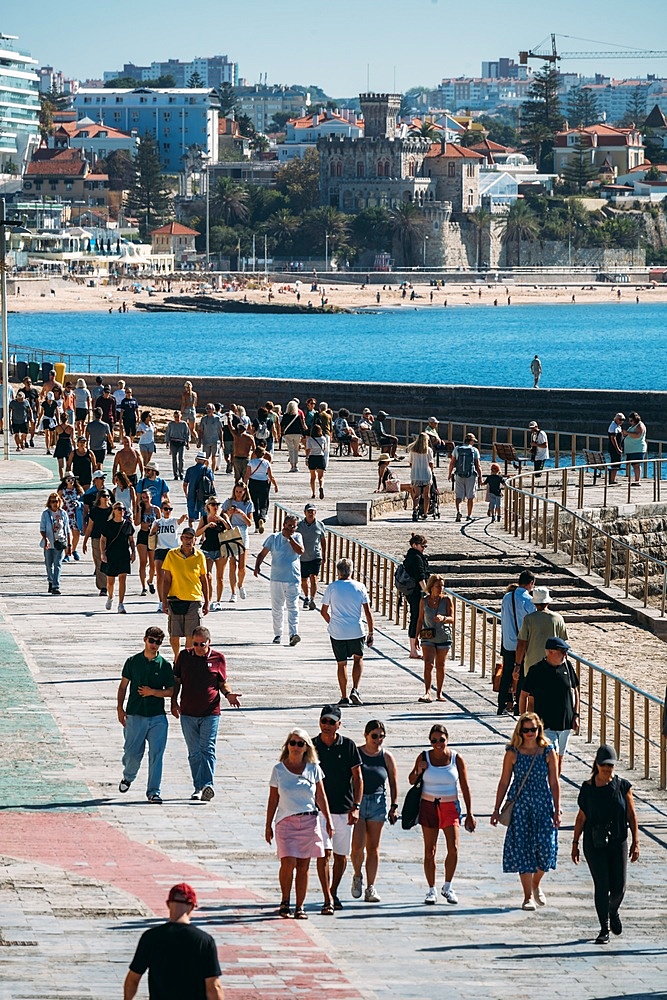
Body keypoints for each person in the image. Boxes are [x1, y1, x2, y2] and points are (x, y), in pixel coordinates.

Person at [490, 712, 560, 910]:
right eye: (526, 730)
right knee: (524, 849)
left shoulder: (548, 751)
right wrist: (496, 809)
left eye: (533, 729)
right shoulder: (513, 752)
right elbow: (504, 781)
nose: (530, 733)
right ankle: (527, 895)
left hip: (543, 804)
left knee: (547, 849)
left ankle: (536, 883)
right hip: (521, 806)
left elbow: (554, 781)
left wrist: (557, 808)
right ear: (520, 731)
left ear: (539, 730)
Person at [572, 745, 640, 943]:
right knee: (602, 885)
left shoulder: (623, 786)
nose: (607, 769)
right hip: (594, 841)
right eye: (603, 765)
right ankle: (604, 929)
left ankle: (613, 910)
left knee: (619, 887)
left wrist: (636, 841)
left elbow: (631, 814)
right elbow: (581, 817)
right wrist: (575, 842)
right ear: (597, 764)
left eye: (610, 765)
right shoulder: (588, 788)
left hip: (618, 839)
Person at [266, 728, 333, 919]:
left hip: (309, 821)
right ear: (287, 746)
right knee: (287, 863)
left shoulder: (314, 769)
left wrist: (328, 820)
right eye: (292, 743)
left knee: (304, 866)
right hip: (285, 823)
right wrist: (268, 825)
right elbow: (273, 800)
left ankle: (300, 906)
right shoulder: (278, 770)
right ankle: (285, 901)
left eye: (300, 743)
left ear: (306, 747)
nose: (295, 747)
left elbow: (321, 796)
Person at [171, 625, 241, 801]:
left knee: (208, 749)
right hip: (187, 712)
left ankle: (208, 785)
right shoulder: (184, 656)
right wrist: (173, 701)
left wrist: (228, 694)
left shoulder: (218, 658)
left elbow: (222, 683)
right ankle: (198, 787)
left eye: (203, 644)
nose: (199, 648)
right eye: (195, 644)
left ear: (209, 643)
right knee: (194, 752)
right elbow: (176, 680)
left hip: (211, 712)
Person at [409, 724, 476, 905]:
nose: (438, 744)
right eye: (434, 741)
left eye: (441, 740)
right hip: (428, 806)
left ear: (447, 739)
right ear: (430, 741)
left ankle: (448, 886)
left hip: (450, 807)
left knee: (453, 848)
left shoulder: (456, 758)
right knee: (430, 850)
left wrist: (470, 813)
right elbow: (411, 779)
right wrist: (418, 770)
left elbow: (465, 786)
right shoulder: (424, 757)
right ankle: (431, 889)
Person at [124, 882, 223, 999]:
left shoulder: (151, 937)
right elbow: (213, 986)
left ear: (168, 904)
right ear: (192, 906)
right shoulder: (204, 941)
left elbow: (133, 980)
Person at [314, 705, 363, 914]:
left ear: (339, 724)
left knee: (341, 855)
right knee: (323, 854)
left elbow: (358, 778)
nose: (327, 725)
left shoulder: (348, 746)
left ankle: (333, 891)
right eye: (324, 721)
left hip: (344, 809)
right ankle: (327, 897)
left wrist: (356, 807)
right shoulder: (311, 745)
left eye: (331, 722)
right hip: (318, 811)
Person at [117, 625, 174, 805]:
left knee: (156, 754)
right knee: (132, 753)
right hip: (135, 715)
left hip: (157, 717)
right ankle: (128, 776)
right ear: (145, 639)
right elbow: (123, 685)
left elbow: (171, 691)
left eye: (158, 642)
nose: (154, 645)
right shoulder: (132, 661)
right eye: (151, 641)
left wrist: (153, 692)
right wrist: (120, 708)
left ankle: (153, 792)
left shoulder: (164, 665)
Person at [350, 719, 398, 904]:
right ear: (366, 735)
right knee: (357, 845)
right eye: (374, 736)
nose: (378, 740)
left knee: (373, 848)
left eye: (381, 737)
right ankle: (357, 875)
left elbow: (393, 782)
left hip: (378, 802)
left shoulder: (386, 757)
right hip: (359, 802)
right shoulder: (357, 753)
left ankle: (371, 886)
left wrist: (394, 806)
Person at [320, 557, 374, 707]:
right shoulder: (360, 586)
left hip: (338, 631)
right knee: (358, 659)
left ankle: (344, 697)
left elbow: (323, 611)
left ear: (338, 571)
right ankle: (355, 689)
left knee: (341, 663)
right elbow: (368, 612)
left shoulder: (332, 587)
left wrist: (332, 622)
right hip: (356, 629)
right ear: (352, 570)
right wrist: (371, 632)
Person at [523, 636, 580, 775]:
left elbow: (576, 691)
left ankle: (554, 788)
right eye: (562, 651)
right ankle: (548, 788)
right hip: (545, 723)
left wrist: (576, 715)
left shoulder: (567, 666)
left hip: (565, 722)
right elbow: (524, 695)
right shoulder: (536, 670)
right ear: (550, 652)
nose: (565, 655)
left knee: (559, 759)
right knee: (551, 756)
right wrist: (524, 719)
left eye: (565, 651)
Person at [515, 586, 569, 714]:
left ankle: (533, 725)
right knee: (552, 696)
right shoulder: (558, 618)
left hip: (532, 663)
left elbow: (522, 644)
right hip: (554, 663)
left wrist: (517, 665)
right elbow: (563, 643)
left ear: (535, 603)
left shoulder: (529, 619)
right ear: (548, 602)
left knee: (532, 698)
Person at [253, 514, 304, 646]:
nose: (291, 528)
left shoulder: (297, 537)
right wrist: (257, 566)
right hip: (276, 578)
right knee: (277, 607)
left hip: (293, 578)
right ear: (284, 525)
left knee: (293, 607)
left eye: (294, 526)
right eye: (289, 526)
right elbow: (262, 553)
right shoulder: (274, 538)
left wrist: (290, 539)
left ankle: (293, 633)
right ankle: (278, 634)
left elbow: (300, 551)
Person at [161, 527, 210, 658]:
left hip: (194, 599)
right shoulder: (172, 554)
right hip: (175, 598)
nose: (188, 541)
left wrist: (207, 602)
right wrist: (163, 601)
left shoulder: (200, 556)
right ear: (181, 538)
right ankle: (177, 658)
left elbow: (204, 579)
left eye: (191, 538)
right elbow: (166, 579)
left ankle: (186, 661)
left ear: (195, 540)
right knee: (174, 634)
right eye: (186, 538)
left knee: (191, 634)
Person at [498, 570, 536, 716]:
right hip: (523, 643)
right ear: (530, 583)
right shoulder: (528, 599)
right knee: (522, 675)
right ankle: (518, 708)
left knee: (507, 673)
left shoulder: (507, 597)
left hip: (508, 641)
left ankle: (501, 705)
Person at [414, 574, 453, 702]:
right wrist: (416, 637)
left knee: (440, 665)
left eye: (442, 586)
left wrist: (444, 618)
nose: (441, 588)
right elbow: (420, 619)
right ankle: (427, 692)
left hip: (443, 636)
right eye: (438, 586)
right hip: (427, 636)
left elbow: (453, 619)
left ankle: (440, 693)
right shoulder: (424, 600)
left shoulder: (447, 600)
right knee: (428, 664)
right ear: (431, 587)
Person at [150, 499, 189, 613]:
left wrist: (184, 517)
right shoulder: (157, 522)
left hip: (172, 551)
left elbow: (180, 521)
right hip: (160, 549)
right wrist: (154, 529)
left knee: (172, 576)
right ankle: (161, 601)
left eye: (170, 509)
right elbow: (151, 535)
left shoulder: (174, 521)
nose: (168, 511)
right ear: (161, 510)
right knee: (160, 577)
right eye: (166, 509)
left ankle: (171, 599)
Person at [195, 496, 232, 611]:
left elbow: (230, 529)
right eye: (213, 504)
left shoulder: (223, 516)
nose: (215, 507)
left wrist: (221, 520)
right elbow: (196, 533)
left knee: (220, 577)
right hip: (208, 548)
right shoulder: (205, 518)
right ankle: (208, 600)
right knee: (207, 576)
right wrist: (207, 526)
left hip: (221, 549)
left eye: (217, 504)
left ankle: (218, 601)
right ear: (208, 506)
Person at [220, 481, 253, 602]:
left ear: (244, 492)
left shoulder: (248, 504)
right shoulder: (228, 502)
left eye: (240, 492)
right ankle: (233, 592)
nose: (238, 494)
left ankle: (240, 584)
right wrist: (229, 513)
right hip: (231, 531)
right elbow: (221, 517)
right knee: (232, 564)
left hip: (243, 531)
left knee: (242, 566)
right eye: (237, 491)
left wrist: (242, 514)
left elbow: (249, 523)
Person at [101, 500, 136, 614]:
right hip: (111, 554)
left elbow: (131, 540)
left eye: (123, 509)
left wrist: (133, 552)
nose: (122, 511)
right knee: (110, 581)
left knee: (122, 578)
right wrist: (103, 553)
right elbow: (103, 540)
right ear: (114, 510)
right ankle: (110, 596)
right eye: (119, 509)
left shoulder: (127, 524)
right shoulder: (108, 524)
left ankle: (121, 603)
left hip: (123, 554)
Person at [402, 533, 429, 659]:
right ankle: (414, 649)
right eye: (422, 546)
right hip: (417, 593)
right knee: (417, 619)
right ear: (415, 545)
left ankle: (415, 648)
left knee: (416, 618)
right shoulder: (416, 558)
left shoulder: (410, 556)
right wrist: (427, 593)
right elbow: (420, 577)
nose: (424, 548)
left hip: (411, 592)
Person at [39, 492, 72, 596]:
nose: (55, 503)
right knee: (49, 564)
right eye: (53, 501)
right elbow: (42, 528)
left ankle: (55, 586)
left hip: (59, 543)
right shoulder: (46, 514)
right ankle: (51, 580)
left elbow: (67, 530)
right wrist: (46, 539)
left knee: (58, 564)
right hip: (48, 544)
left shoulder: (63, 513)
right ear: (49, 503)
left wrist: (69, 545)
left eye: (56, 501)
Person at [82, 486, 112, 595]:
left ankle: (109, 584)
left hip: (110, 539)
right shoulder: (94, 511)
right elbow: (90, 527)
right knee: (99, 562)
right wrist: (85, 542)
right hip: (96, 539)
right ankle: (103, 587)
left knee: (109, 562)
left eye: (108, 496)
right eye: (104, 496)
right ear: (99, 498)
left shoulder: (112, 510)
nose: (106, 498)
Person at [297, 503, 327, 610]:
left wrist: (324, 554)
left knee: (314, 577)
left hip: (315, 555)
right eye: (309, 511)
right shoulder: (299, 526)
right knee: (304, 579)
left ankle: (313, 599)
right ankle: (306, 596)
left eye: (313, 511)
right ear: (304, 513)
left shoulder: (320, 525)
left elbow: (323, 540)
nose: (311, 513)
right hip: (303, 556)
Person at [449, 433, 482, 523]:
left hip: (459, 475)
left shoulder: (457, 449)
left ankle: (458, 511)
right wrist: (480, 477)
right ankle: (469, 515)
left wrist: (449, 474)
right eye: (473, 441)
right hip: (471, 475)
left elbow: (452, 463)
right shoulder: (474, 450)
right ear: (471, 441)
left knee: (459, 496)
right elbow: (477, 465)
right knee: (470, 496)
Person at [244, 444, 277, 534]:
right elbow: (271, 476)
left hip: (253, 483)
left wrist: (244, 485)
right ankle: (262, 517)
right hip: (264, 484)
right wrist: (275, 485)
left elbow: (247, 475)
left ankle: (257, 527)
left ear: (255, 453)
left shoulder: (251, 462)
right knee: (264, 503)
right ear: (263, 454)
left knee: (254, 504)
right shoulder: (266, 463)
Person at [135, 488, 159, 597]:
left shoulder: (156, 509)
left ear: (150, 497)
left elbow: (160, 522)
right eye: (143, 497)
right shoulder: (141, 509)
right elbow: (136, 523)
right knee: (143, 562)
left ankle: (150, 580)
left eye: (147, 497)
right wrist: (139, 510)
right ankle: (144, 587)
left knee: (153, 563)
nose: (145, 499)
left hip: (153, 536)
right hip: (143, 535)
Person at [407, 431, 434, 521]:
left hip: (416, 474)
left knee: (417, 494)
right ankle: (425, 513)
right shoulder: (428, 450)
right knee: (426, 495)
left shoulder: (412, 449)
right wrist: (432, 471)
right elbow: (431, 463)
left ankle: (415, 509)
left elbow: (410, 463)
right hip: (426, 474)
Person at [57, 474, 84, 562]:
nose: (71, 481)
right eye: (68, 480)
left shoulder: (79, 490)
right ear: (65, 481)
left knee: (76, 534)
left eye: (72, 479)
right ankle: (66, 553)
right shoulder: (62, 491)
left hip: (76, 514)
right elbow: (57, 501)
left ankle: (74, 549)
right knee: (65, 534)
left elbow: (84, 500)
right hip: (66, 514)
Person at [183, 451, 214, 526]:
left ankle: (191, 531)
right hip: (204, 497)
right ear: (204, 460)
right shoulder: (208, 470)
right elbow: (212, 484)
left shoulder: (190, 470)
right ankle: (203, 536)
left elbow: (185, 484)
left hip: (192, 495)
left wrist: (186, 494)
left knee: (191, 518)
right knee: (204, 518)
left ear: (196, 460)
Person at [281, 400, 307, 473]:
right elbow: (301, 426)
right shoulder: (297, 416)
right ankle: (295, 465)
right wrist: (304, 435)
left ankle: (292, 465)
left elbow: (282, 424)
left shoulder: (285, 416)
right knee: (296, 450)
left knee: (291, 450)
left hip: (288, 434)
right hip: (297, 434)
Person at [228, 410, 255, 481]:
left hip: (237, 458)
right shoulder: (250, 438)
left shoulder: (236, 436)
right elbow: (254, 449)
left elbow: (230, 427)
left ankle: (237, 490)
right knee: (245, 478)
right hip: (245, 458)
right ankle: (245, 490)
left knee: (237, 478)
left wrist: (229, 419)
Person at [305, 419, 329, 498]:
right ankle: (321, 487)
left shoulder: (310, 439)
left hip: (312, 457)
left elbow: (308, 449)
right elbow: (324, 449)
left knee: (312, 477)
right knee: (321, 477)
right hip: (320, 457)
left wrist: (307, 458)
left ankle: (313, 493)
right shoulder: (323, 439)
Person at [622, 411, 647, 486]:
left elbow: (638, 435)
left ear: (635, 419)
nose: (630, 422)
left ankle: (637, 481)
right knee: (633, 465)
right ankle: (635, 479)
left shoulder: (640, 425)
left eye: (631, 420)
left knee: (637, 465)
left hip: (637, 448)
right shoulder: (633, 426)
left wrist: (627, 433)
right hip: (631, 449)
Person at [165, 409, 191, 481]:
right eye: (175, 416)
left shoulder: (184, 424)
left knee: (181, 459)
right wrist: (167, 442)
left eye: (178, 416)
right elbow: (168, 433)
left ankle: (181, 473)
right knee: (174, 459)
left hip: (181, 442)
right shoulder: (171, 424)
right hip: (173, 442)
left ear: (181, 416)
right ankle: (175, 474)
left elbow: (187, 433)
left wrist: (188, 443)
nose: (177, 418)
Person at [198, 403, 224, 472]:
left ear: (213, 410)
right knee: (206, 457)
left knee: (214, 456)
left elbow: (220, 431)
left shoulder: (217, 418)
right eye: (207, 408)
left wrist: (222, 441)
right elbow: (201, 430)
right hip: (206, 441)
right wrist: (199, 441)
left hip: (215, 440)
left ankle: (212, 471)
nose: (208, 410)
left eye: (210, 408)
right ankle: (206, 469)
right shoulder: (203, 419)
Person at [53, 412, 75, 479]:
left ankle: (61, 478)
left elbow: (55, 439)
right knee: (68, 464)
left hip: (60, 444)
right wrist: (75, 447)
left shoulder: (57, 427)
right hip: (67, 444)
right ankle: (67, 477)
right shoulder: (71, 427)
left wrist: (56, 445)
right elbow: (73, 439)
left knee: (60, 465)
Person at [606, 412, 625, 485]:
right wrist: (617, 449)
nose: (621, 421)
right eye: (620, 419)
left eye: (623, 420)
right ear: (616, 419)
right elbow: (613, 438)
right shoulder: (613, 426)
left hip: (617, 448)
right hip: (614, 448)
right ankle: (612, 480)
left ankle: (613, 479)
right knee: (615, 464)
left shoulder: (617, 426)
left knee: (616, 463)